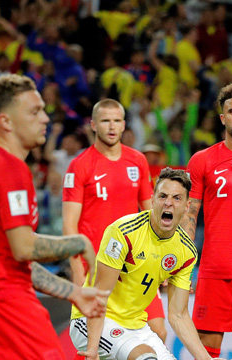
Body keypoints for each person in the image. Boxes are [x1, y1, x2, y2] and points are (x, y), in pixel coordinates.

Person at [0, 74, 108, 359]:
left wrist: (73, 292)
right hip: (3, 299)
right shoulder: (8, 168)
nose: (45, 119)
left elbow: (14, 254)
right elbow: (24, 248)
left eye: (43, 109)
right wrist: (77, 243)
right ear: (6, 122)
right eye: (34, 111)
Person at [69, 168, 218, 360]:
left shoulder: (186, 251)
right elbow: (100, 296)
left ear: (187, 206)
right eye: (162, 196)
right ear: (153, 199)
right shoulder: (123, 232)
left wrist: (205, 359)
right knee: (145, 357)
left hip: (136, 326)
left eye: (177, 198)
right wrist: (92, 348)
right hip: (92, 319)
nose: (168, 203)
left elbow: (178, 315)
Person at [62, 99, 168, 342]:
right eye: (105, 121)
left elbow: (150, 214)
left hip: (134, 264)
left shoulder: (138, 160)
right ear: (93, 125)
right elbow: (69, 225)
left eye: (117, 121)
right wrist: (78, 273)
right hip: (96, 267)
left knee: (158, 332)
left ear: (124, 125)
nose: (111, 126)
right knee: (94, 341)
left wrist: (159, 261)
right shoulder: (79, 165)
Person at [182, 81, 232, 358]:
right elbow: (189, 215)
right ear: (222, 118)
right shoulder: (202, 160)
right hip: (215, 269)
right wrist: (181, 263)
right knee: (206, 351)